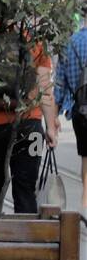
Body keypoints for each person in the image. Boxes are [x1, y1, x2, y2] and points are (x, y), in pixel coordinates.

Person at [0, 35, 57, 215]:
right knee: (26, 190)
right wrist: (51, 127)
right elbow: (45, 88)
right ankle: (27, 241)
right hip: (30, 125)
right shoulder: (36, 38)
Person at [54, 21, 87, 213]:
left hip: (81, 111)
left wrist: (54, 117)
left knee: (85, 157)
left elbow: (60, 83)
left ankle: (84, 203)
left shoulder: (71, 43)